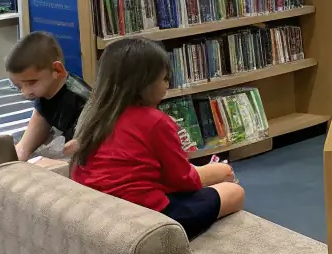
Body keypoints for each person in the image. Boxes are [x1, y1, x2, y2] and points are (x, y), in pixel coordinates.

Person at [70, 36, 244, 238]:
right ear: (143, 83)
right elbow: (184, 181)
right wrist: (216, 172)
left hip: (102, 211)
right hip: (148, 216)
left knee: (215, 176)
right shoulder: (156, 122)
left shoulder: (93, 116)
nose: (167, 85)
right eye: (164, 79)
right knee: (233, 191)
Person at [6, 31, 89, 162]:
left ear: (57, 70)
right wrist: (22, 151)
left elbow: (78, 147)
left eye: (32, 83)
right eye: (19, 86)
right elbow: (40, 117)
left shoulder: (75, 100)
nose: (25, 92)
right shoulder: (45, 92)